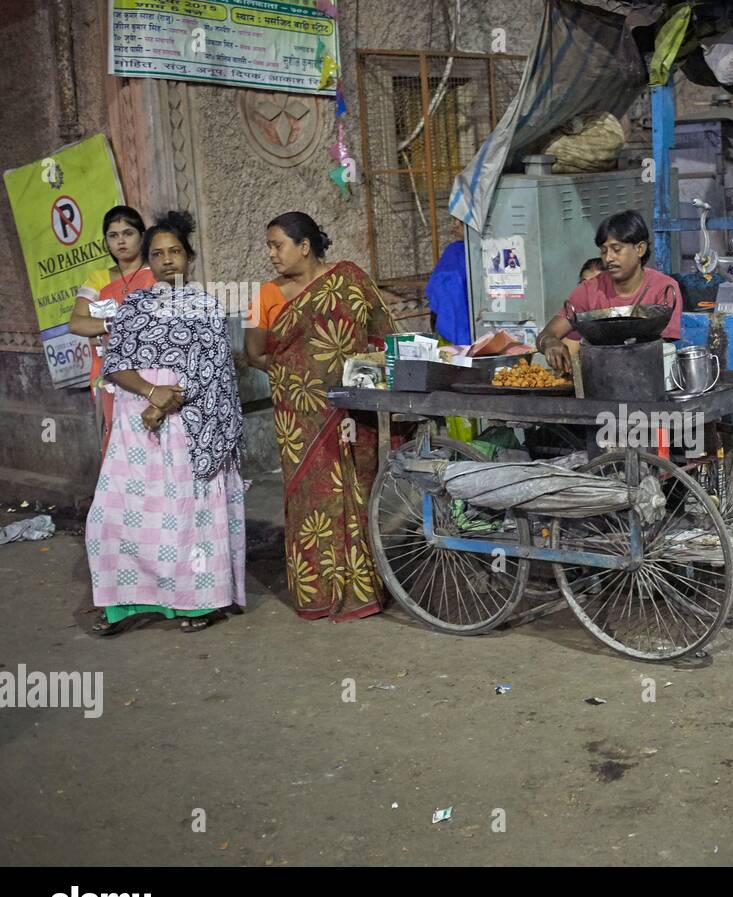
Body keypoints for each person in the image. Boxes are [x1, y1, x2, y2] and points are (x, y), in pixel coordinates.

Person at [86, 211, 246, 637]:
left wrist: (165, 403)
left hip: (188, 427)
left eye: (175, 251)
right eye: (157, 254)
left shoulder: (204, 306)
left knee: (186, 518)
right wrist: (149, 393)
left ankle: (200, 601)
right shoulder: (134, 306)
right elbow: (116, 363)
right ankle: (124, 603)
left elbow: (210, 372)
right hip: (135, 428)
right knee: (115, 513)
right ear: (148, 260)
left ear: (188, 257)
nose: (167, 260)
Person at [245, 212, 396, 622]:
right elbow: (256, 353)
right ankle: (321, 594)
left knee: (358, 491)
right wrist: (297, 380)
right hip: (300, 418)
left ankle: (367, 588)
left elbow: (382, 333)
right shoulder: (268, 295)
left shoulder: (349, 279)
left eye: (278, 245)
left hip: (354, 407)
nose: (272, 254)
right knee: (312, 499)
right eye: (270, 247)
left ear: (305, 246)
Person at [536, 210, 681, 375]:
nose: (608, 258)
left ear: (640, 249)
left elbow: (665, 347)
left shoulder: (664, 288)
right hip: (597, 380)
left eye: (616, 249)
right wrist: (550, 342)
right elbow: (546, 334)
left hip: (647, 378)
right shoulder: (590, 289)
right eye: (604, 251)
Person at [69, 206, 155, 458]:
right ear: (106, 241)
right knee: (119, 441)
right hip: (110, 372)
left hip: (151, 370)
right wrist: (113, 322)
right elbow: (76, 323)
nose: (120, 241)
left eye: (128, 233)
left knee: (151, 437)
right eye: (113, 235)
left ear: (142, 235)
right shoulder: (98, 280)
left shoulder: (155, 274)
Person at [425, 219, 471, 345]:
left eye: (460, 222)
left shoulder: (456, 253)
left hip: (453, 327)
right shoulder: (455, 252)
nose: (454, 227)